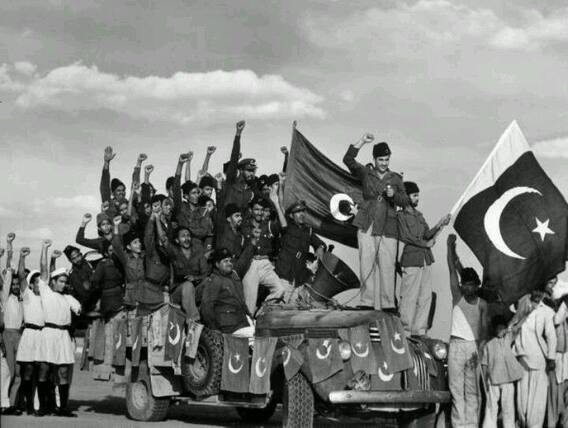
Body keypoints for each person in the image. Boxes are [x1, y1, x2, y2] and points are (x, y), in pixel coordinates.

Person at [343, 133, 408, 311]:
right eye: (381, 160)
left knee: (388, 266)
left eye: (387, 159)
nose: (384, 163)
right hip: (367, 224)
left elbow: (405, 200)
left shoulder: (396, 178)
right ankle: (367, 302)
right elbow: (348, 160)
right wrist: (362, 141)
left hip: (388, 227)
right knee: (366, 264)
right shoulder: (366, 173)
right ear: (374, 159)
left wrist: (394, 195)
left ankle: (388, 304)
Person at [446, 233, 488, 428]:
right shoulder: (458, 296)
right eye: (465, 284)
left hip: (473, 347)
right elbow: (451, 269)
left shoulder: (482, 304)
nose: (467, 288)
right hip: (455, 346)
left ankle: (471, 425)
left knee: (472, 391)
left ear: (476, 286)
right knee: (456, 391)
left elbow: (484, 330)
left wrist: (480, 351)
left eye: (471, 285)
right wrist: (449, 248)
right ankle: (458, 425)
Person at [398, 181, 450, 336]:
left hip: (425, 259)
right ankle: (405, 330)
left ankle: (419, 330)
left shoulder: (419, 215)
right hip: (412, 259)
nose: (417, 198)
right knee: (409, 297)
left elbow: (427, 234)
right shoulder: (400, 216)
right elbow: (406, 236)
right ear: (406, 197)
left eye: (417, 195)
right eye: (414, 195)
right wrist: (425, 244)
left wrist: (440, 224)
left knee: (425, 297)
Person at [38, 240, 81, 417]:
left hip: (63, 336)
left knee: (63, 371)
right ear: (53, 282)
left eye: (65, 282)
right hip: (48, 334)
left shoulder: (68, 298)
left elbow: (79, 309)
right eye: (61, 281)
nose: (63, 284)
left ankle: (62, 408)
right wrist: (44, 249)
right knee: (44, 370)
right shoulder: (46, 292)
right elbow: (44, 270)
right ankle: (42, 407)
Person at [512, 288, 557, 428]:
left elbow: (551, 336)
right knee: (522, 399)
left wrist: (551, 358)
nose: (538, 294)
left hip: (539, 359)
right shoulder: (520, 306)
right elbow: (512, 327)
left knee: (537, 400)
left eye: (541, 291)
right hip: (521, 358)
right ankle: (522, 423)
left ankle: (535, 425)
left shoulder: (547, 311)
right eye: (535, 290)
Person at [241, 189, 286, 314]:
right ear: (251, 210)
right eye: (256, 209)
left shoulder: (268, 225)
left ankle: (261, 312)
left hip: (266, 264)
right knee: (249, 305)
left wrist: (276, 203)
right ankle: (250, 320)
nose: (259, 212)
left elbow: (283, 225)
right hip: (250, 264)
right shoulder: (244, 226)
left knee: (280, 290)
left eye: (262, 210)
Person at [274, 200, 325, 300]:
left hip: (299, 279)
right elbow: (280, 218)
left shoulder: (308, 230)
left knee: (293, 308)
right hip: (284, 275)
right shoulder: (286, 227)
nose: (301, 214)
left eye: (303, 211)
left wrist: (320, 247)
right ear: (291, 215)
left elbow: (320, 243)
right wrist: (277, 200)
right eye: (298, 212)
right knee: (279, 306)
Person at [157, 225, 208, 322]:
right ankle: (194, 321)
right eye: (183, 236)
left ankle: (211, 318)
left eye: (188, 236)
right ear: (177, 240)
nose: (186, 238)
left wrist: (195, 278)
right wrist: (156, 218)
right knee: (188, 285)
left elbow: (205, 274)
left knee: (209, 281)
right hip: (178, 293)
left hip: (195, 291)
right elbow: (163, 239)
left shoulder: (198, 254)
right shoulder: (174, 252)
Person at [480, 316, 524, 428]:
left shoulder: (508, 338)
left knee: (508, 407)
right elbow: (484, 364)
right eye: (498, 328)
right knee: (491, 407)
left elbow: (518, 326)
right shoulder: (488, 344)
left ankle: (509, 426)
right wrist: (484, 380)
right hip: (493, 380)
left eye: (502, 328)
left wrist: (526, 313)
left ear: (505, 329)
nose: (500, 331)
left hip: (507, 380)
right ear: (494, 329)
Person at [200, 248, 252, 335]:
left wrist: (249, 316)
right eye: (225, 261)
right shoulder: (215, 280)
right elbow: (206, 307)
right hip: (228, 326)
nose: (229, 263)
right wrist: (214, 328)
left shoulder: (234, 277)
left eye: (230, 261)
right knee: (257, 336)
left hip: (241, 321)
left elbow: (241, 301)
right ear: (217, 264)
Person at [1, 233, 23, 416]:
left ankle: (13, 403)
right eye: (13, 284)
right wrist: (10, 246)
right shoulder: (5, 298)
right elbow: (8, 271)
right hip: (7, 335)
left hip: (20, 336)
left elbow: (21, 278)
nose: (15, 286)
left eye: (17, 284)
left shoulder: (22, 299)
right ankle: (4, 403)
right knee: (7, 371)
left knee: (18, 372)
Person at [63, 245, 96, 314]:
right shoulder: (73, 275)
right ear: (70, 260)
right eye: (73, 258)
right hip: (89, 306)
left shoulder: (90, 264)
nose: (77, 260)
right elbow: (85, 294)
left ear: (81, 254)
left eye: (78, 256)